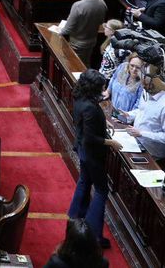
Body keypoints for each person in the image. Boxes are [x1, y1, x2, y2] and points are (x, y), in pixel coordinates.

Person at [67, 69, 121, 247]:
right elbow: (91, 138)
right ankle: (92, 236)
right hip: (91, 153)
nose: (103, 90)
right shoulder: (90, 107)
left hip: (83, 150)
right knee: (101, 191)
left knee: (84, 181)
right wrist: (110, 142)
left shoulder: (80, 98)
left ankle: (74, 219)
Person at [118, 65, 165, 161]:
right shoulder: (146, 92)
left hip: (152, 154)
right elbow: (142, 110)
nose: (143, 87)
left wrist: (142, 133)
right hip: (136, 143)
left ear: (157, 84)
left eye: (146, 84)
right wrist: (129, 115)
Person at [58, 0, 108, 66]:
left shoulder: (78, 6)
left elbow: (67, 30)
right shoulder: (102, 2)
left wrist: (58, 31)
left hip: (77, 44)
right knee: (86, 63)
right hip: (92, 41)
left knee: (75, 66)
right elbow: (101, 22)